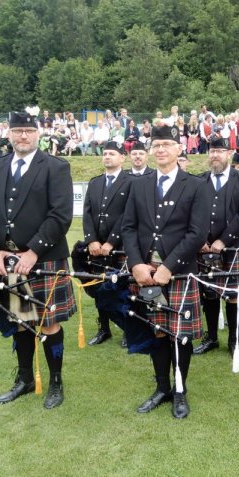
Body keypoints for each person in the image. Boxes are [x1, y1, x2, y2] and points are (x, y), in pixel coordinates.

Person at [0, 111, 76, 409]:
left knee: (48, 323)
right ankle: (24, 379)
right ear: (8, 134)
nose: (23, 136)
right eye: (18, 130)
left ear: (38, 134)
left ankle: (56, 382)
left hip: (44, 259)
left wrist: (33, 251)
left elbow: (61, 215)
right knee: (21, 321)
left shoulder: (56, 167)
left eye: (28, 131)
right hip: (9, 261)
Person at [121, 125, 210, 419]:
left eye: (167, 145)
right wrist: (136, 264)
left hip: (179, 273)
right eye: (156, 145)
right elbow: (129, 228)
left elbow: (198, 233)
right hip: (145, 273)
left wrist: (168, 267)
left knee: (180, 336)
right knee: (157, 332)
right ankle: (162, 388)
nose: (161, 150)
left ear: (179, 149)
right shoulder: (139, 184)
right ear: (151, 150)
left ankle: (180, 390)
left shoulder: (196, 185)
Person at [193, 137, 239, 357]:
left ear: (229, 153)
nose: (215, 155)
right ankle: (211, 338)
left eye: (219, 151)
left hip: (233, 247)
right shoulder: (199, 181)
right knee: (208, 293)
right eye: (212, 151)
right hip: (204, 248)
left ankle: (234, 340)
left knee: (234, 294)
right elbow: (192, 213)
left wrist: (223, 241)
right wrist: (201, 240)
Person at [83, 141, 132, 347]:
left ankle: (128, 330)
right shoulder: (94, 183)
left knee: (123, 291)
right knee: (99, 289)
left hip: (120, 247)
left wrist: (111, 242)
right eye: (105, 154)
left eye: (112, 154)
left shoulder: (131, 181)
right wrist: (92, 240)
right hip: (96, 249)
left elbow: (128, 215)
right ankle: (104, 329)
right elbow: (87, 214)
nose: (107, 157)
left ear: (122, 157)